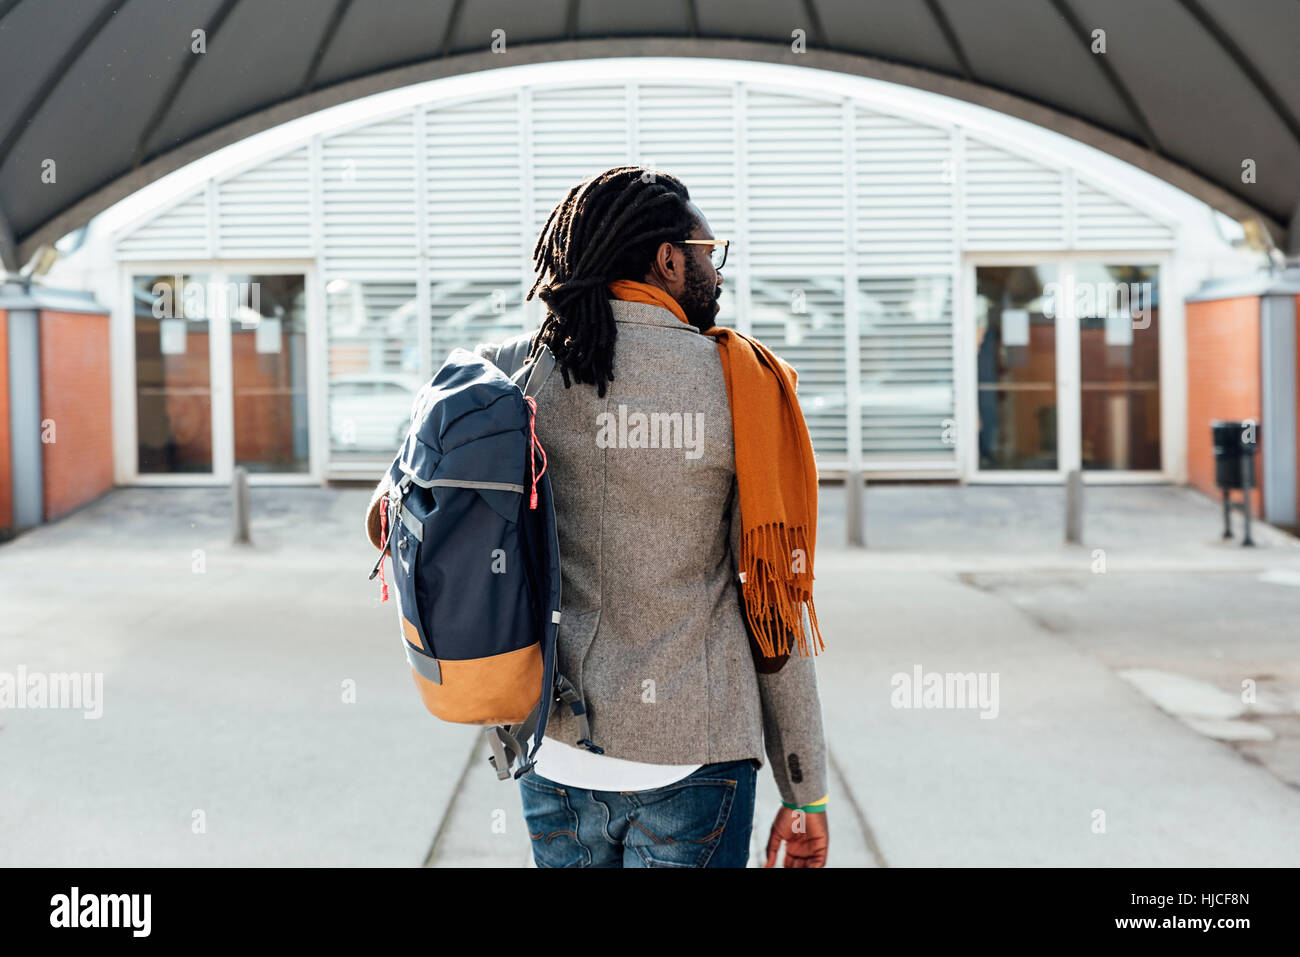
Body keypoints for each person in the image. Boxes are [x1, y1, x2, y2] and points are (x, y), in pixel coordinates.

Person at [468, 166, 831, 868]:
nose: (715, 272)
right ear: (668, 259)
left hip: (558, 754)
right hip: (689, 757)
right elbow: (771, 601)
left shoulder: (527, 373)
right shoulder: (736, 383)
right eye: (707, 250)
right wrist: (804, 785)